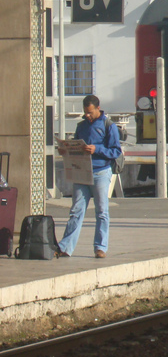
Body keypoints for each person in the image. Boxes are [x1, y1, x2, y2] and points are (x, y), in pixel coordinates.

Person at [56, 95, 122, 258]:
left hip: (101, 171)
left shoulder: (109, 126)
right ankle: (65, 247)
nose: (87, 115)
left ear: (98, 109)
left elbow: (116, 151)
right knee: (76, 211)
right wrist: (66, 150)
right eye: (85, 112)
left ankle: (100, 247)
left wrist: (97, 149)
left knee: (101, 211)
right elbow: (78, 145)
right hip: (82, 172)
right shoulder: (82, 126)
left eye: (90, 112)